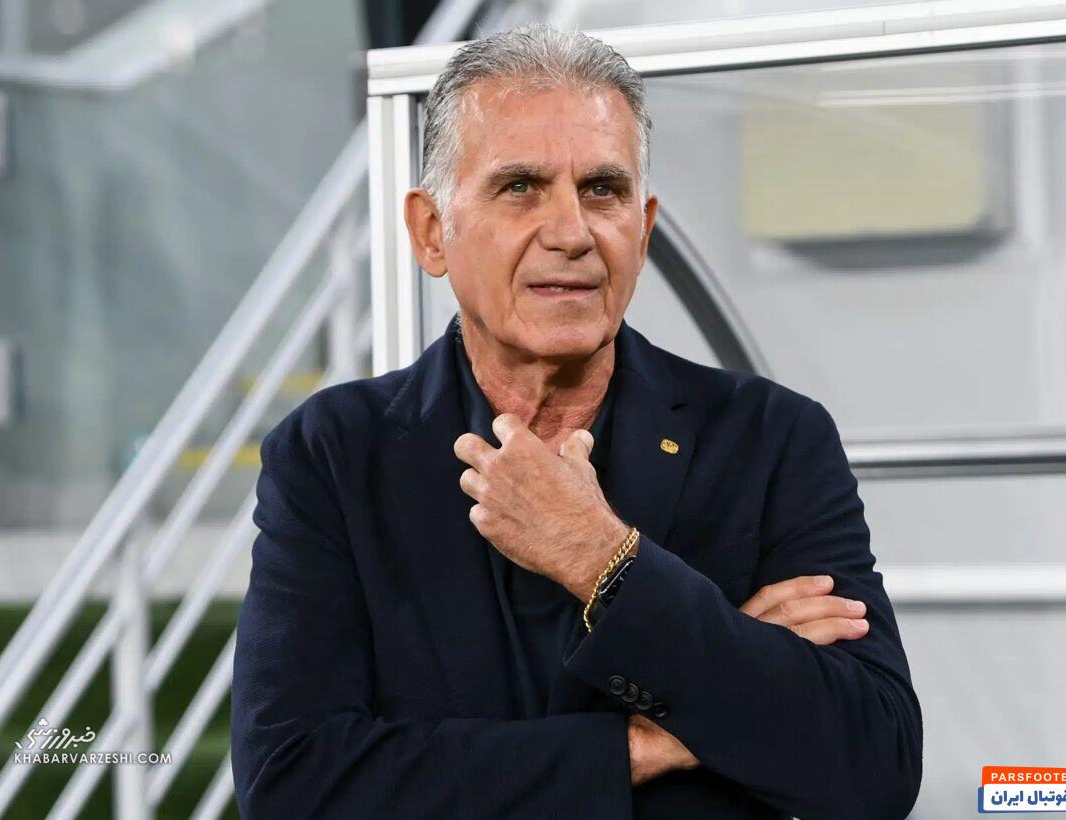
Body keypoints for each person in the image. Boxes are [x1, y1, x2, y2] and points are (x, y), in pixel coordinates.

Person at [230, 22, 922, 819]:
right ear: (431, 232)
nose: (571, 232)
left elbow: (874, 760)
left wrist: (604, 561)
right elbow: (294, 785)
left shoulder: (770, 439)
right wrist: (651, 742)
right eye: (520, 187)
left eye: (602, 190)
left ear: (643, 228)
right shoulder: (333, 453)